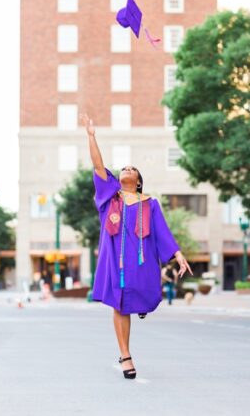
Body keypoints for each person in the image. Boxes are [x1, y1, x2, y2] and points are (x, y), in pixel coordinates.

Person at [82, 113, 192, 379]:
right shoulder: (110, 198)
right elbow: (98, 167)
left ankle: (140, 301)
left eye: (132, 169)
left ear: (139, 181)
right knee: (119, 304)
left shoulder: (149, 203)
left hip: (140, 260)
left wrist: (178, 254)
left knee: (142, 292)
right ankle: (126, 356)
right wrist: (91, 137)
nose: (127, 168)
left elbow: (162, 232)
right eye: (124, 168)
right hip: (116, 260)